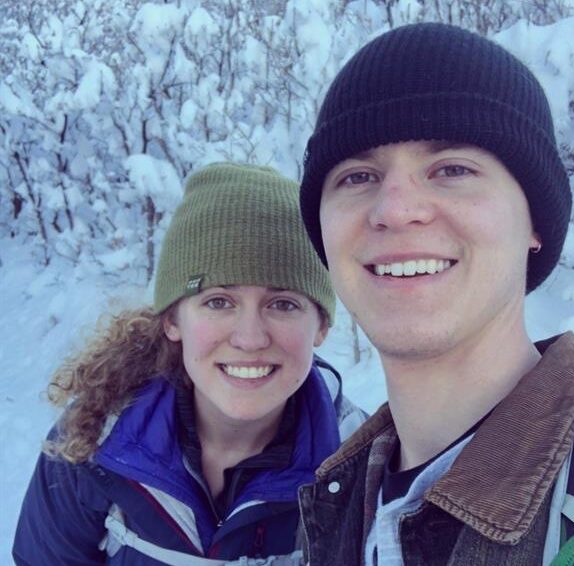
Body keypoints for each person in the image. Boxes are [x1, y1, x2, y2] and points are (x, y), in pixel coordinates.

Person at [297, 23, 574, 566]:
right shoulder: (334, 504)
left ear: (534, 222)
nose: (394, 209)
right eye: (358, 177)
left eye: (452, 169)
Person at [13, 162, 365, 565]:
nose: (249, 338)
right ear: (172, 319)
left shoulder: (362, 468)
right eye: (219, 302)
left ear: (320, 325)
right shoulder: (92, 442)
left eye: (282, 304)